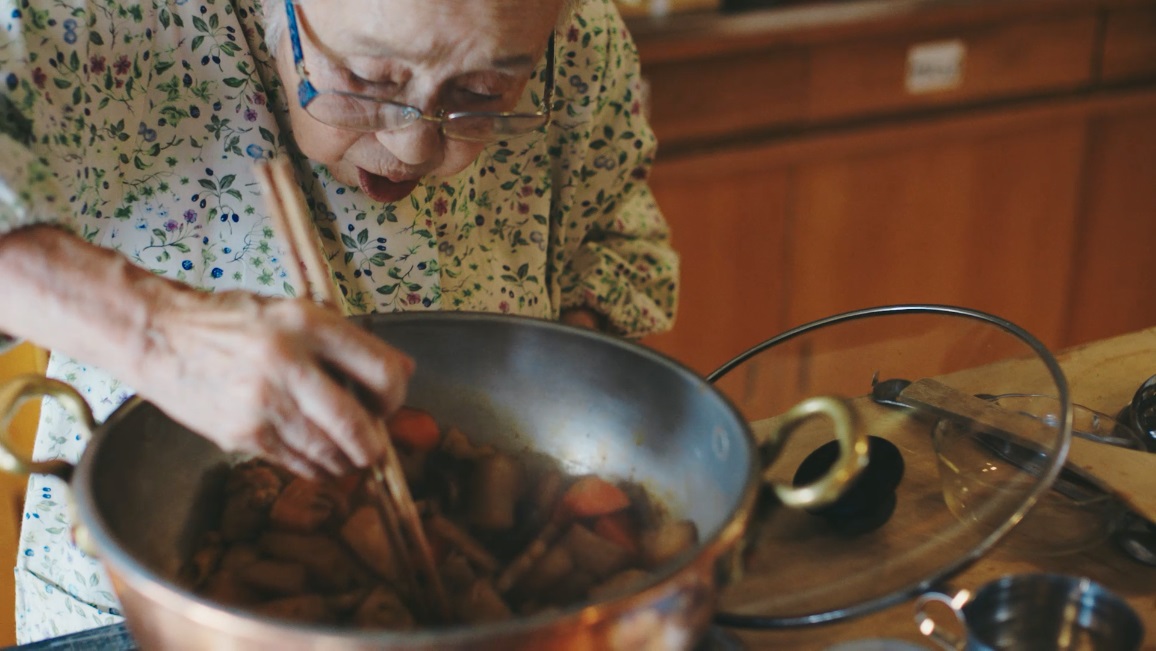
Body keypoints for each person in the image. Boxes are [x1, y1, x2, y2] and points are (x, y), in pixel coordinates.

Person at [0, 0, 678, 641]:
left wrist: (564, 446)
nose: (413, 147)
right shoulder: (98, 17)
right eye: (367, 77)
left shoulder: (574, 31)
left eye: (480, 94)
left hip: (496, 610)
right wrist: (158, 334)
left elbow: (611, 230)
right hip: (155, 604)